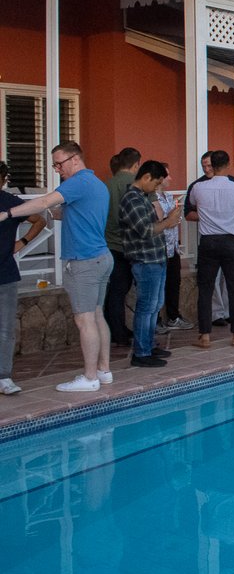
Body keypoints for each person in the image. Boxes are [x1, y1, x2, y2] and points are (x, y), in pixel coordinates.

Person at [2, 141, 113, 392]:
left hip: (84, 260)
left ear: (75, 159)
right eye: (54, 165)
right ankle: (104, 371)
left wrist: (7, 214)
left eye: (59, 164)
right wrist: (62, 213)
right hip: (101, 256)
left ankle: (89, 377)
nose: (57, 169)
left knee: (84, 320)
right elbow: (75, 212)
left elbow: (43, 203)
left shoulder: (78, 182)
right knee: (96, 315)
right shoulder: (96, 184)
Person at [118, 160, 180, 367]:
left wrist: (169, 219)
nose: (157, 188)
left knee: (155, 305)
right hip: (145, 260)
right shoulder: (132, 200)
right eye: (156, 183)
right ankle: (141, 352)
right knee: (146, 306)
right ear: (146, 177)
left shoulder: (143, 198)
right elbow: (145, 230)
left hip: (156, 257)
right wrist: (169, 222)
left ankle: (149, 345)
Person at [189, 150, 234, 348]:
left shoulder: (198, 188)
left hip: (208, 241)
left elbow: (193, 206)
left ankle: (205, 335)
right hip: (231, 240)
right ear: (228, 164)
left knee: (205, 289)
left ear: (211, 166)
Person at [0, 161, 47, 395]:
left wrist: (22, 242)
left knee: (5, 329)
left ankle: (3, 377)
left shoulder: (10, 203)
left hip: (5, 274)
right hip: (6, 273)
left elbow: (40, 219)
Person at [102, 146, 140, 345]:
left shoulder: (106, 186)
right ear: (136, 164)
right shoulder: (138, 185)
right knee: (122, 290)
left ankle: (116, 329)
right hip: (132, 245)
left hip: (111, 244)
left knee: (116, 290)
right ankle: (119, 333)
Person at [156, 166, 192, 331]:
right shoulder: (152, 199)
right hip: (159, 248)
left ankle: (173, 316)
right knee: (157, 285)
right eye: (167, 175)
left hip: (173, 247)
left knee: (173, 282)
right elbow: (162, 220)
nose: (170, 178)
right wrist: (169, 217)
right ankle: (155, 320)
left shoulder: (169, 197)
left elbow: (175, 218)